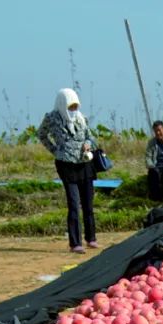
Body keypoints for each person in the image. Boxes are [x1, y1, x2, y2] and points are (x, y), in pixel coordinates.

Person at [37, 89, 97, 253]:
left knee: (88, 203)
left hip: (84, 164)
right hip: (66, 164)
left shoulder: (81, 118)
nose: (73, 110)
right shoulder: (52, 118)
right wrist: (55, 150)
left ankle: (91, 238)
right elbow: (41, 134)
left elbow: (91, 137)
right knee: (73, 203)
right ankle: (75, 243)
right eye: (70, 107)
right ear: (63, 105)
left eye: (75, 107)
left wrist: (88, 144)